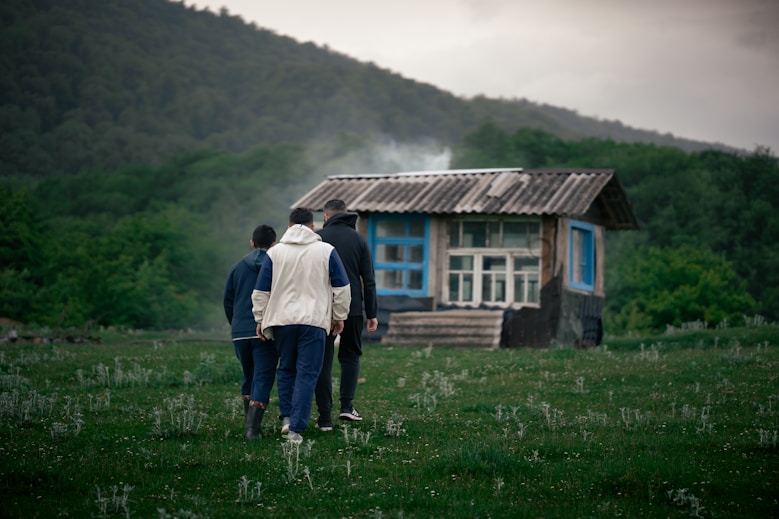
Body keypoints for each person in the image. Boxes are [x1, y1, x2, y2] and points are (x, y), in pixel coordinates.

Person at [252, 208, 351, 444]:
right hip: (314, 321)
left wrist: (260, 318)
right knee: (307, 373)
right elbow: (342, 288)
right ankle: (296, 429)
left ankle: (286, 418)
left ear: (288, 227)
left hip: (282, 320)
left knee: (286, 369)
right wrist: (339, 316)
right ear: (313, 227)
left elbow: (261, 291)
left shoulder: (275, 253)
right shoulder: (326, 251)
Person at [314, 199, 378, 430]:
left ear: (326, 215)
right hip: (352, 307)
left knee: (323, 359)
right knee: (350, 355)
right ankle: (346, 407)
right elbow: (368, 279)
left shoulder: (318, 237)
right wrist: (372, 312)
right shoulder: (358, 239)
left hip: (321, 309)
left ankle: (324, 418)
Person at [223, 224, 278, 440]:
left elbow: (228, 300)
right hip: (265, 330)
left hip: (240, 331)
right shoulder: (276, 267)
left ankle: (250, 422)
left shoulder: (237, 268)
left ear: (252, 242)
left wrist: (235, 324)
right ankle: (252, 430)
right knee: (263, 377)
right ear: (274, 244)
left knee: (249, 375)